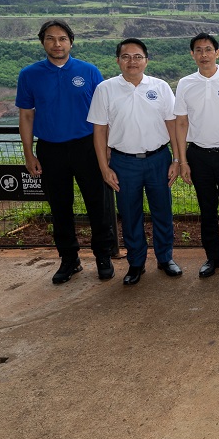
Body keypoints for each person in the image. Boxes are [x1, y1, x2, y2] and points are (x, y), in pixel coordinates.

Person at [15, 20, 116, 284]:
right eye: (50, 39)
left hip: (87, 147)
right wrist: (29, 154)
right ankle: (69, 260)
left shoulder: (89, 71)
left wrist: (105, 149)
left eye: (62, 38)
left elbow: (104, 116)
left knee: (98, 205)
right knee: (60, 208)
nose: (57, 44)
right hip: (50, 149)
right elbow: (26, 116)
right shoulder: (29, 74)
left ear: (71, 42)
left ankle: (103, 256)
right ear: (42, 42)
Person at [88, 39, 182, 285]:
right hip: (123, 162)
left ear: (146, 60)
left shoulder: (160, 87)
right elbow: (99, 131)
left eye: (138, 56)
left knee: (162, 211)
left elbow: (172, 124)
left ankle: (165, 258)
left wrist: (177, 158)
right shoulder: (105, 89)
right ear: (118, 60)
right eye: (126, 56)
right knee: (130, 215)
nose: (132, 61)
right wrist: (103, 167)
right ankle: (136, 263)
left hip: (159, 159)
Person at [174, 33, 219, 278]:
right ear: (192, 54)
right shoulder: (185, 83)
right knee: (207, 211)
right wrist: (182, 160)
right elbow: (181, 123)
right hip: (198, 156)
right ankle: (212, 258)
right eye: (198, 50)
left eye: (208, 50)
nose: (203, 55)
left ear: (217, 53)